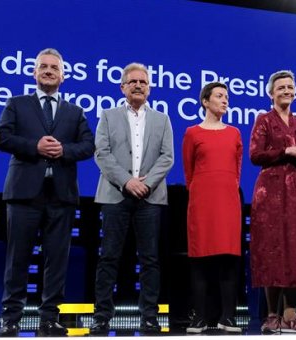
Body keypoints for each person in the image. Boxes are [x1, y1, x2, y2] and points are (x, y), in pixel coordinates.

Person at [0, 48, 94, 337]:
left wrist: (64, 150)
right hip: (24, 193)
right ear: (35, 73)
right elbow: (2, 137)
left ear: (63, 76)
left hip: (60, 195)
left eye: (54, 67)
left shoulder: (75, 112)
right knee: (18, 258)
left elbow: (88, 145)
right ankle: (10, 319)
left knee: (57, 259)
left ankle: (49, 318)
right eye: (43, 67)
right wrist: (34, 146)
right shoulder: (17, 103)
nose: (49, 71)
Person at [89, 62, 174, 335]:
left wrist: (145, 184)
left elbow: (167, 157)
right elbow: (101, 153)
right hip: (116, 195)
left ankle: (149, 317)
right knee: (109, 258)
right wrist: (127, 181)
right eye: (133, 81)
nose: (139, 85)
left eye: (143, 82)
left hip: (150, 198)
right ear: (123, 87)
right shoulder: (108, 115)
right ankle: (102, 317)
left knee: (149, 259)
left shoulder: (163, 119)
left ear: (149, 88)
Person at [249, 70, 296, 334]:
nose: (287, 91)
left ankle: (291, 314)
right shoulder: (263, 120)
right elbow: (255, 155)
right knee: (271, 249)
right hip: (270, 192)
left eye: (290, 87)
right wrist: (286, 151)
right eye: (281, 88)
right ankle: (271, 315)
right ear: (271, 93)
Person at [182, 82, 243, 334]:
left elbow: (237, 169)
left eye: (226, 96)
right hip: (202, 202)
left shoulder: (234, 133)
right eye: (219, 96)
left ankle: (227, 317)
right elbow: (188, 171)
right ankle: (199, 317)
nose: (225, 100)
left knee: (228, 259)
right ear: (205, 101)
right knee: (200, 259)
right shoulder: (192, 133)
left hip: (228, 201)